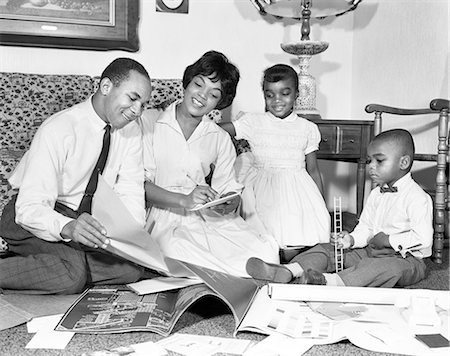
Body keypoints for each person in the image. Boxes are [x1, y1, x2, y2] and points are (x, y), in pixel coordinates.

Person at [0, 58, 153, 294]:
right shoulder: (58, 128)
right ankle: (65, 268)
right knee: (72, 275)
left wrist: (130, 237)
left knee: (131, 270)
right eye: (132, 98)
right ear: (106, 87)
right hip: (31, 214)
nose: (137, 111)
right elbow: (29, 208)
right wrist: (68, 227)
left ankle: (54, 267)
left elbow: (131, 190)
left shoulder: (132, 131)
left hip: (82, 217)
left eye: (143, 104)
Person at [138, 50, 279, 277]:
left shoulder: (219, 137)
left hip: (207, 215)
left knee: (265, 249)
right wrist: (184, 199)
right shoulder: (149, 122)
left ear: (219, 102)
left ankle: (248, 271)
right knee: (176, 250)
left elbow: (229, 189)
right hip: (164, 216)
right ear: (187, 83)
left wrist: (228, 203)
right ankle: (242, 274)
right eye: (198, 85)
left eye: (213, 94)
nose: (202, 96)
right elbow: (139, 185)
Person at [246, 129, 433, 288]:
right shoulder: (376, 194)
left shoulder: (417, 198)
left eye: (379, 161)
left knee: (386, 269)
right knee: (325, 249)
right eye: (369, 161)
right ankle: (290, 270)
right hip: (371, 251)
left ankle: (330, 281)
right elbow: (366, 227)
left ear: (404, 163)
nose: (371, 167)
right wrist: (351, 239)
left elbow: (423, 239)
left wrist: (390, 240)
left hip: (406, 258)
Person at [219, 64, 330, 255]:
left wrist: (321, 204)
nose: (277, 100)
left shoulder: (307, 128)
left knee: (302, 236)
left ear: (296, 94)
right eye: (270, 95)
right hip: (264, 187)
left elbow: (313, 170)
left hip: (298, 188)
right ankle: (276, 257)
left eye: (284, 93)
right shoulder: (253, 122)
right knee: (267, 236)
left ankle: (295, 260)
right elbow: (219, 129)